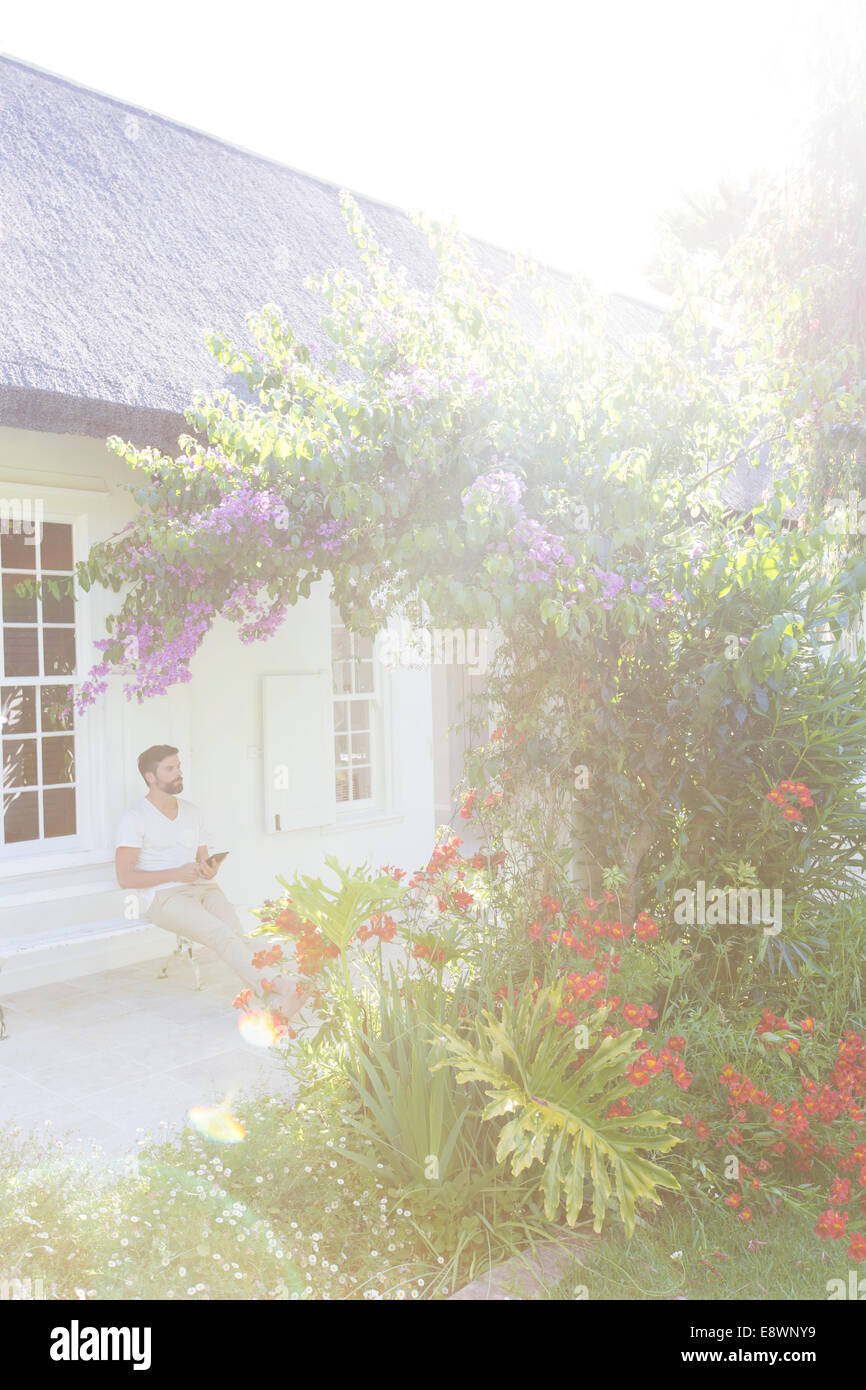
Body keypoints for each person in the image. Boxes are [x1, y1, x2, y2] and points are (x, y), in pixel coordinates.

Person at [115, 744, 303, 1019]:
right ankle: (284, 987)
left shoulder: (192, 812)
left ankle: (275, 1002)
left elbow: (202, 859)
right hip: (164, 897)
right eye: (170, 768)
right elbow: (125, 878)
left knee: (236, 936)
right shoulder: (134, 818)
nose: (179, 772)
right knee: (222, 935)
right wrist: (176, 874)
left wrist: (208, 869)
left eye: (178, 766)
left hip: (202, 888)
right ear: (150, 777)